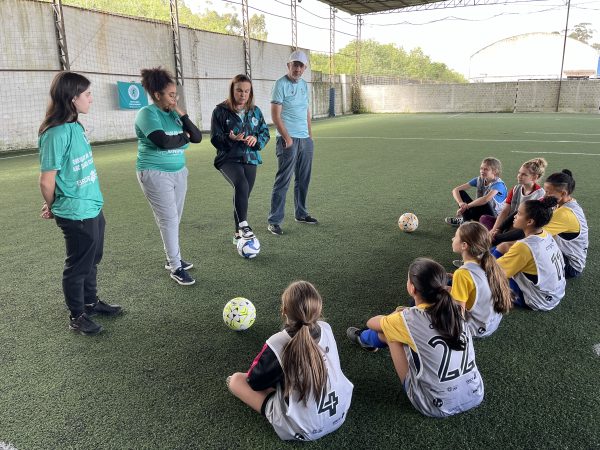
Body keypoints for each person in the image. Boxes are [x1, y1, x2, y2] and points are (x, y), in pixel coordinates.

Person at [39, 71, 122, 336]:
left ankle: (90, 302)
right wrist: (52, 205)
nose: (91, 99)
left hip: (92, 206)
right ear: (72, 98)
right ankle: (77, 316)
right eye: (87, 94)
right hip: (75, 212)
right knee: (78, 265)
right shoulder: (55, 134)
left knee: (93, 258)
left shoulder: (76, 126)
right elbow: (46, 180)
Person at [347, 258, 484, 418]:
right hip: (475, 393)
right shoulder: (455, 310)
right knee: (400, 330)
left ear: (412, 288)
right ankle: (365, 340)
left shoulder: (409, 318)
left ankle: (364, 339)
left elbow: (371, 322)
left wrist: (397, 314)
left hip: (434, 405)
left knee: (391, 334)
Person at [227, 281, 353, 441]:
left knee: (237, 380)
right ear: (318, 308)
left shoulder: (278, 343)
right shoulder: (326, 328)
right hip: (340, 414)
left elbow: (254, 382)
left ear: (284, 310)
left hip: (303, 429)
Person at [135, 67, 202, 286]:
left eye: (176, 95)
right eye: (171, 95)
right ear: (157, 95)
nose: (175, 99)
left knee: (175, 217)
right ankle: (175, 267)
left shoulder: (173, 113)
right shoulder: (147, 113)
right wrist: (184, 137)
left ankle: (172, 257)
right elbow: (161, 141)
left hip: (179, 172)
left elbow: (198, 137)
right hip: (155, 173)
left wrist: (181, 113)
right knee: (169, 219)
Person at [210, 74, 270, 245]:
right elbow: (215, 139)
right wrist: (231, 139)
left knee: (243, 193)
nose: (243, 95)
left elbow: (265, 133)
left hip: (250, 157)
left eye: (246, 91)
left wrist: (256, 140)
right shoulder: (220, 111)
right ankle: (244, 226)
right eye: (239, 91)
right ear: (232, 91)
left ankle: (238, 234)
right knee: (241, 184)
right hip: (228, 158)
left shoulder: (255, 111)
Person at [267, 50, 318, 236]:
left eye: (301, 65)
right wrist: (287, 138)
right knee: (283, 180)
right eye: (294, 65)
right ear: (289, 66)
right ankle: (274, 220)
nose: (297, 68)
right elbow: (275, 114)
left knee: (303, 179)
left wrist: (310, 137)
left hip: (305, 139)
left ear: (305, 68)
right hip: (287, 139)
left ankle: (301, 213)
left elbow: (306, 112)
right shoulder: (280, 84)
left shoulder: (305, 85)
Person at [495, 198, 566, 311]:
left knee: (486, 278)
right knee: (504, 246)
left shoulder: (524, 246)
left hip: (535, 300)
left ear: (529, 222)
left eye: (519, 213)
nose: (515, 216)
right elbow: (510, 246)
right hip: (555, 294)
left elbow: (494, 273)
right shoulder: (545, 234)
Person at [450, 222, 513, 338]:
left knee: (431, 294)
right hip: (490, 324)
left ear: (464, 245)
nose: (453, 238)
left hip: (473, 328)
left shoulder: (463, 274)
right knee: (447, 285)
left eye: (456, 236)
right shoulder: (489, 262)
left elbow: (457, 313)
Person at [484, 158, 546, 246]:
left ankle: (495, 241)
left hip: (522, 229)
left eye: (524, 174)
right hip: (508, 224)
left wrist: (498, 232)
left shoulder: (540, 195)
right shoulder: (515, 189)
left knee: (498, 239)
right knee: (484, 219)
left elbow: (531, 223)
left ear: (535, 177)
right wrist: (496, 229)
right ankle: (495, 238)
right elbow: (505, 212)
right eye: (519, 173)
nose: (519, 176)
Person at [542, 170, 588, 278]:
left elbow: (532, 233)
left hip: (571, 265)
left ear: (563, 193)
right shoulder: (565, 203)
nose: (545, 195)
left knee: (530, 245)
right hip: (566, 253)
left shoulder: (565, 214)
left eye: (548, 192)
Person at [445, 157, 507, 226]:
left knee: (485, 202)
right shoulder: (479, 180)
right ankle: (466, 222)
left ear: (495, 171)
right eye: (481, 168)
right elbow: (455, 190)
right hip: (480, 212)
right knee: (461, 192)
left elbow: (485, 199)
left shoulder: (499, 184)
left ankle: (469, 224)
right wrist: (461, 204)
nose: (482, 171)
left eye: (486, 169)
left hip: (494, 219)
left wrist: (467, 206)